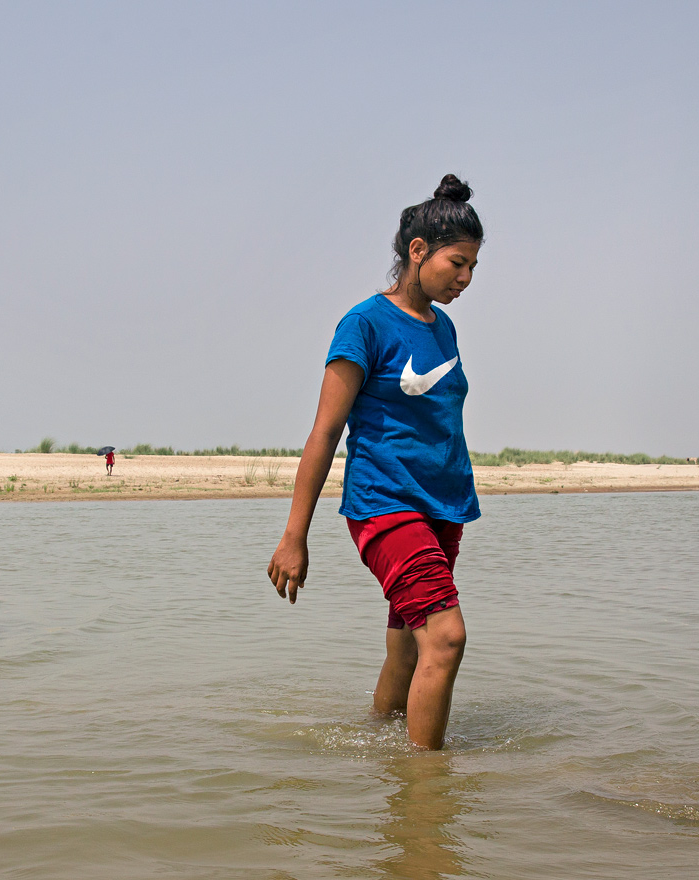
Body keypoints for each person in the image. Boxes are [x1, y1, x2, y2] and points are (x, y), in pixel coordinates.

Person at [268, 174, 483, 750]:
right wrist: (294, 537)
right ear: (418, 252)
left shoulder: (446, 328)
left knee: (411, 647)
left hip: (444, 509)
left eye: (473, 268)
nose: (465, 279)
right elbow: (325, 430)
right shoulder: (363, 324)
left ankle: (381, 752)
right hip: (386, 505)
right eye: (456, 263)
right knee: (446, 638)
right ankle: (425, 796)